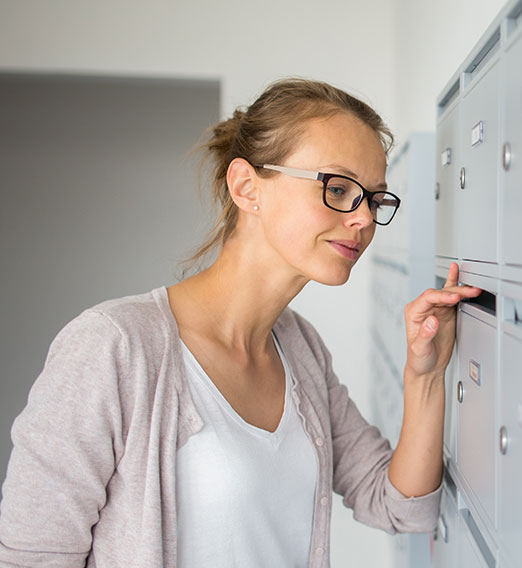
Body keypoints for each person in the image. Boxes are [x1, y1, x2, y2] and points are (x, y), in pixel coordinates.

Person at [0, 77, 480, 567]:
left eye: (375, 200)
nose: (364, 220)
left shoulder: (301, 350)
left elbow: (398, 507)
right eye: (338, 189)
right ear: (247, 187)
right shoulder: (113, 347)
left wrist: (424, 377)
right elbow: (31, 558)